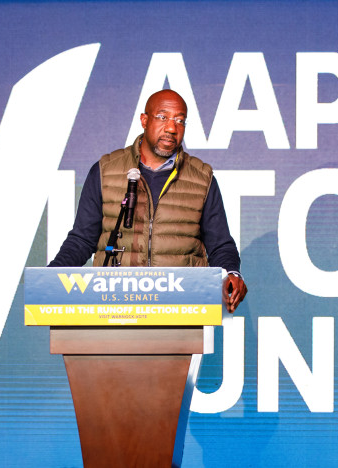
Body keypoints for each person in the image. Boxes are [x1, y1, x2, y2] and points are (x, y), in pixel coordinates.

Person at [49, 89, 247, 312]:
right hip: (115, 306)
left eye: (180, 120)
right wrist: (50, 278)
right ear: (144, 120)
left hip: (180, 310)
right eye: (163, 117)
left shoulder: (201, 178)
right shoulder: (106, 171)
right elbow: (82, 240)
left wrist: (231, 272)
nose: (172, 128)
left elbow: (220, 244)